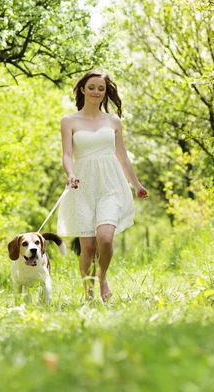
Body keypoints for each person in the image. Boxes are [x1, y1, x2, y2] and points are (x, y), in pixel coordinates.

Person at [57, 69, 148, 302]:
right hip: (83, 186)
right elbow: (67, 154)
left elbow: (123, 156)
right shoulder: (69, 121)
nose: (97, 92)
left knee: (105, 238)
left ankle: (102, 276)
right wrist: (70, 173)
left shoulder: (113, 121)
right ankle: (88, 293)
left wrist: (136, 185)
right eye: (92, 87)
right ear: (82, 89)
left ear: (106, 92)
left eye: (101, 88)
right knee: (87, 248)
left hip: (111, 184)